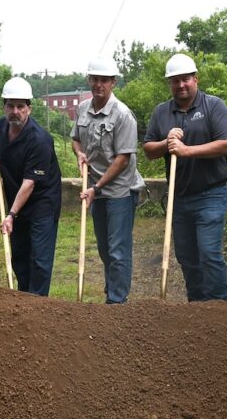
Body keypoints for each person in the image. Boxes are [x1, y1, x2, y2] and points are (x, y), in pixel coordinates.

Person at [143, 53, 227, 302]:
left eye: (185, 79)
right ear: (170, 84)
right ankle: (196, 310)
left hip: (211, 194)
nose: (180, 85)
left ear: (196, 79)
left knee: (209, 253)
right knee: (187, 257)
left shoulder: (213, 106)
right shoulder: (161, 112)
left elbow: (226, 144)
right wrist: (167, 142)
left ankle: (220, 309)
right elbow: (149, 150)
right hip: (179, 197)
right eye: (175, 81)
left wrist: (186, 151)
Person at [71, 56, 145, 304]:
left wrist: (97, 187)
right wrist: (79, 153)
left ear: (113, 82)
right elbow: (75, 138)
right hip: (95, 188)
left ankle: (117, 303)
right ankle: (112, 292)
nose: (98, 84)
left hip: (120, 191)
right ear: (89, 80)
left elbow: (123, 158)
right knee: (104, 249)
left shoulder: (123, 115)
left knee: (117, 250)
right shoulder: (82, 108)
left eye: (104, 80)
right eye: (94, 79)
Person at [0, 77, 61, 296]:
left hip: (41, 202)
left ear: (29, 109)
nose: (15, 111)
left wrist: (11, 214)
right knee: (19, 255)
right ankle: (23, 300)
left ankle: (38, 306)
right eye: (10, 105)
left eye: (20, 106)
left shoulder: (40, 140)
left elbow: (30, 183)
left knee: (39, 258)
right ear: (4, 107)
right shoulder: (1, 126)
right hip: (16, 199)